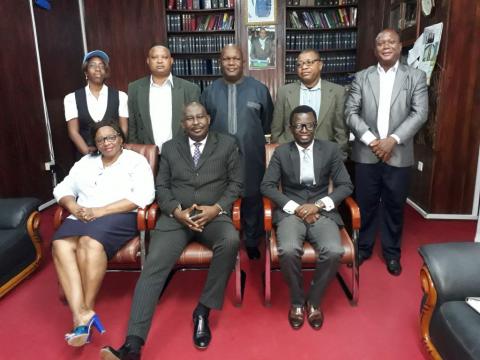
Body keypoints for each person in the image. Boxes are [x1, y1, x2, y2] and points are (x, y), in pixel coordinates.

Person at [100, 102, 243, 360]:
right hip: (177, 218)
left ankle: (203, 309)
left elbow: (236, 184)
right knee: (153, 266)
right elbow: (162, 187)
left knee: (230, 240)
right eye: (190, 119)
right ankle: (132, 345)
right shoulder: (170, 147)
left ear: (209, 119)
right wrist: (177, 212)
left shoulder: (227, 144)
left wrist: (216, 209)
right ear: (182, 123)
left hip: (212, 215)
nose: (196, 122)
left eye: (201, 117)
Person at [52, 119, 155, 347]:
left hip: (118, 215)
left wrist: (101, 210)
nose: (106, 143)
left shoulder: (135, 161)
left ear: (120, 138)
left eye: (111, 137)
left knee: (90, 242)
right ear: (95, 144)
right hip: (83, 213)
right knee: (60, 244)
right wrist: (73, 207)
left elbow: (144, 195)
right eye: (100, 139)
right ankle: (83, 315)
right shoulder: (85, 163)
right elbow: (63, 188)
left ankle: (82, 314)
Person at [345, 29, 428, 276]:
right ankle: (363, 248)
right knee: (365, 204)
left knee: (394, 205)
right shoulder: (362, 77)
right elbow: (351, 112)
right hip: (366, 152)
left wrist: (392, 140)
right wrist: (373, 141)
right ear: (375, 49)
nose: (386, 46)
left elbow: (420, 113)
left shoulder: (415, 76)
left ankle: (392, 253)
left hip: (399, 153)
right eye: (380, 42)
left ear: (400, 46)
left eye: (391, 41)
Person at [261, 105, 353, 330]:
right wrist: (296, 207)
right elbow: (267, 186)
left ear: (315, 125)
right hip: (291, 212)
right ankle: (296, 301)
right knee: (289, 249)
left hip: (322, 211)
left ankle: (314, 300)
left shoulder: (330, 150)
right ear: (291, 128)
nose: (304, 129)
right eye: (299, 125)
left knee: (333, 251)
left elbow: (345, 185)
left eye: (309, 125)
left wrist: (319, 205)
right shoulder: (281, 152)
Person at [201, 44, 273, 260]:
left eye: (236, 59)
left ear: (243, 62)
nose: (231, 63)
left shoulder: (259, 89)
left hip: (252, 157)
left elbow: (267, 123)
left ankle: (252, 241)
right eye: (226, 59)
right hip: (218, 159)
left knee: (252, 198)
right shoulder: (209, 92)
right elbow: (202, 126)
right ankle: (225, 241)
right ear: (220, 62)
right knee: (222, 200)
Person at [271, 49, 349, 160]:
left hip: (325, 157)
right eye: (299, 64)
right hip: (290, 155)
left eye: (309, 62)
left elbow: (341, 131)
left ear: (320, 65)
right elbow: (276, 130)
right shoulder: (284, 92)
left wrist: (339, 159)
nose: (304, 67)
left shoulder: (337, 92)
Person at [127, 45, 200, 152]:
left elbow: (195, 125)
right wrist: (134, 152)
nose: (160, 61)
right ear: (148, 61)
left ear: (171, 61)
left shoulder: (189, 89)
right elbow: (132, 125)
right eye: (155, 57)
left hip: (181, 153)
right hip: (146, 153)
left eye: (164, 57)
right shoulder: (135, 88)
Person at [64, 50, 128, 157]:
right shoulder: (71, 98)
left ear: (106, 71)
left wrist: (116, 149)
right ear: (86, 72)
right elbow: (73, 132)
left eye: (101, 66)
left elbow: (124, 128)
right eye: (92, 65)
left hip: (115, 155)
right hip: (86, 156)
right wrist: (86, 152)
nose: (97, 68)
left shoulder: (121, 96)